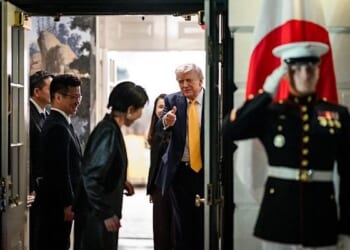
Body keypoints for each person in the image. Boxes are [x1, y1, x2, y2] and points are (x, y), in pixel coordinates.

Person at [222, 41, 350, 250]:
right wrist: (267, 92)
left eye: (311, 67)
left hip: (321, 217)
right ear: (287, 73)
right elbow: (231, 130)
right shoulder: (271, 112)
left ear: (318, 71)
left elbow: (348, 173)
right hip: (278, 215)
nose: (305, 74)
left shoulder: (338, 114)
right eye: (297, 69)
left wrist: (346, 227)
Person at [73, 81, 149, 250]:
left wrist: (121, 181)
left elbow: (104, 169)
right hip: (95, 218)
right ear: (130, 110)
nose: (141, 114)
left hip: (98, 216)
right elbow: (91, 177)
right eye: (140, 108)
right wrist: (105, 213)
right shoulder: (107, 131)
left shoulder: (111, 128)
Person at [155, 63, 205, 250]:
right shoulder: (172, 100)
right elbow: (159, 128)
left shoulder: (214, 100)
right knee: (182, 224)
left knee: (203, 222)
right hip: (179, 172)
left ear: (200, 81)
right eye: (180, 81)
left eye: (188, 81)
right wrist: (167, 122)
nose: (184, 85)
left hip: (205, 172)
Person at [33, 74, 83, 250]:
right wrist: (68, 203)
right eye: (73, 97)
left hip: (59, 204)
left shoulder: (64, 123)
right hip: (56, 206)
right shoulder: (56, 126)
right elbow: (59, 170)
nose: (77, 101)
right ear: (58, 97)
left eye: (79, 96)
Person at [28, 70, 53, 250]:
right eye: (51, 88)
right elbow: (26, 157)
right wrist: (30, 187)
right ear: (37, 92)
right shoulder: (27, 115)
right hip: (31, 189)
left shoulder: (45, 114)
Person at [146, 93, 174, 250]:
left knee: (166, 229)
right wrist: (151, 188)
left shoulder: (170, 130)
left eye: (165, 107)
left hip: (167, 185)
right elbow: (153, 164)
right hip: (158, 187)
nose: (162, 110)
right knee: (160, 229)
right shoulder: (155, 132)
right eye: (160, 107)